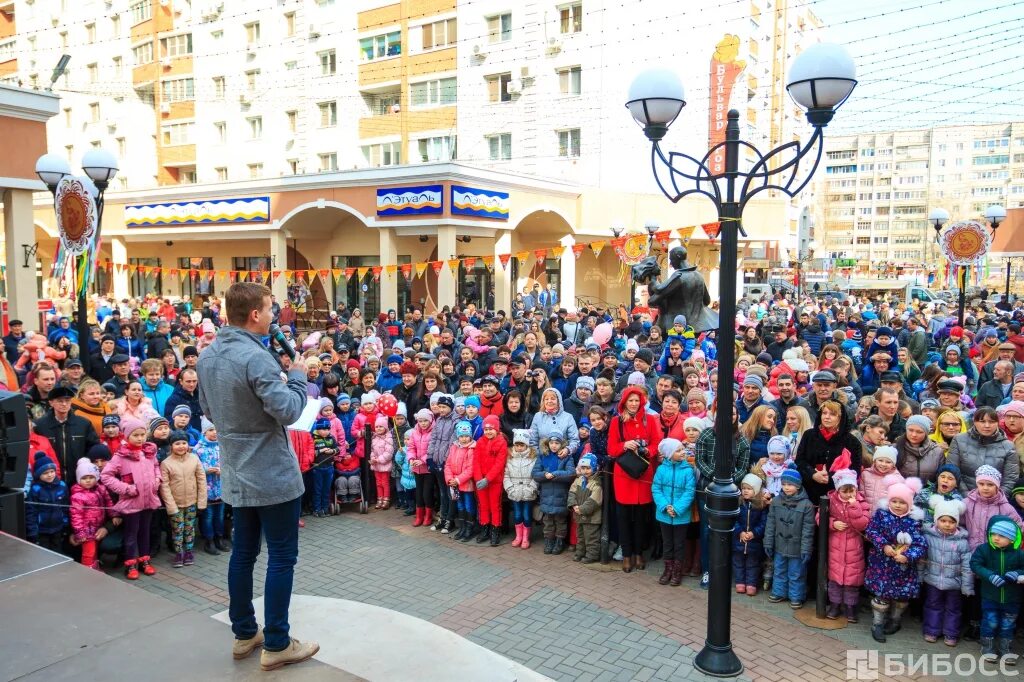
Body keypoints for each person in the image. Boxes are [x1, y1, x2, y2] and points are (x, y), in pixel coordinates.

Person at [195, 282, 319, 670]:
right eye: (270, 310)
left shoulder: (208, 355)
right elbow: (288, 411)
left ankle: (245, 633)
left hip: (236, 470)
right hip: (272, 474)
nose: (273, 316)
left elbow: (209, 410)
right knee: (282, 556)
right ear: (254, 315)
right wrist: (297, 376)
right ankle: (278, 642)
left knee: (243, 554)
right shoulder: (257, 358)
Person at [608, 385, 663, 572]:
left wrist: (648, 450)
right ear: (624, 402)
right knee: (623, 517)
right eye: (630, 400)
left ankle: (639, 553)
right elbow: (612, 449)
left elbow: (657, 443)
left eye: (636, 401)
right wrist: (625, 445)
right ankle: (627, 554)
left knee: (641, 518)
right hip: (624, 474)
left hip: (644, 473)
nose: (633, 404)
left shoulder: (650, 419)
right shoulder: (617, 422)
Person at [865, 476, 926, 643]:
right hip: (882, 565)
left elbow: (921, 544)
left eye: (902, 502)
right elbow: (871, 531)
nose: (898, 505)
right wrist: (883, 545)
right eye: (895, 501)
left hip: (902, 568)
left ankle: (895, 620)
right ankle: (877, 624)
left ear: (909, 504)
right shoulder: (881, 515)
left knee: (901, 597)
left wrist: (907, 556)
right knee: (882, 595)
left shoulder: (914, 521)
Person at [101, 416, 162, 580]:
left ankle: (144, 561)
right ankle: (130, 564)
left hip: (148, 500)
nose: (140, 438)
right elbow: (106, 475)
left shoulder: (149, 453)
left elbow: (156, 467)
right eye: (136, 435)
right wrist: (126, 488)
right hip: (132, 503)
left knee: (145, 532)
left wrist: (157, 480)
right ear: (127, 436)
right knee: (131, 534)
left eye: (143, 434)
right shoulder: (121, 456)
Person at [970, 516, 1024, 660]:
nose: (996, 538)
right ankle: (987, 647)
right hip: (990, 596)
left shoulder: (1019, 553)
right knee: (990, 622)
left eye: (1001, 535)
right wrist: (989, 575)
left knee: (1008, 624)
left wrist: (1017, 573)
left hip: (1012, 598)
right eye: (993, 534)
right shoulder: (984, 549)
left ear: (1012, 539)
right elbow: (975, 564)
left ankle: (1005, 649)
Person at [921, 499, 972, 646]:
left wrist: (967, 586)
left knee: (953, 609)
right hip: (932, 580)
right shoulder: (929, 537)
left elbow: (967, 566)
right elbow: (922, 559)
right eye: (943, 520)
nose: (947, 524)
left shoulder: (962, 542)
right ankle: (931, 630)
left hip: (954, 583)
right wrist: (920, 576)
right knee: (932, 605)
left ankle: (951, 633)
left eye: (951, 521)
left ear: (957, 522)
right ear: (937, 520)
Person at [821, 468, 870, 622]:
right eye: (845, 491)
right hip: (835, 548)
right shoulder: (830, 500)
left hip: (853, 548)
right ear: (838, 489)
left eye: (852, 490)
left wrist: (854, 507)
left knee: (851, 581)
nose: (849, 495)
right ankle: (835, 605)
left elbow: (863, 523)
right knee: (835, 580)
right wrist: (833, 524)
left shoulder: (861, 502)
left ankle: (850, 607)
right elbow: (819, 518)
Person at [765, 466, 815, 608]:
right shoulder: (776, 502)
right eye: (784, 484)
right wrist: (768, 543)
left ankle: (796, 596)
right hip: (780, 544)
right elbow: (770, 524)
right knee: (779, 569)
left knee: (796, 572)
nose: (786, 487)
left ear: (798, 485)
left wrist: (806, 549)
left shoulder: (806, 505)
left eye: (790, 484)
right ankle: (779, 592)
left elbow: (808, 530)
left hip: (797, 547)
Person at [159, 430, 208, 568]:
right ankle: (179, 552)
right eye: (177, 443)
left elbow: (201, 479)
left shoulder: (194, 459)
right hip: (176, 504)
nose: (181, 446)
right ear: (171, 446)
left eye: (184, 443)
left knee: (189, 528)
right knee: (177, 529)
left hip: (192, 502)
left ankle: (189, 551)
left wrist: (202, 501)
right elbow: (165, 486)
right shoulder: (166, 463)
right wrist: (171, 506)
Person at [947, 407, 1019, 495]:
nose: (987, 425)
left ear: (997, 423)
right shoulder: (959, 439)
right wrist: (967, 495)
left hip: (994, 500)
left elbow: (1010, 478)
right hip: (962, 496)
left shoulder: (1008, 446)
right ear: (974, 422)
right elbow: (952, 470)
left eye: (992, 422)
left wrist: (997, 498)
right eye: (982, 421)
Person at [531, 429, 575, 555]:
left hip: (561, 495)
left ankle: (559, 541)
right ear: (547, 444)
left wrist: (555, 474)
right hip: (546, 495)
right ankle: (549, 541)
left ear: (562, 444)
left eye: (557, 443)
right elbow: (535, 474)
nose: (554, 445)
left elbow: (571, 473)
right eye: (552, 443)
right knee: (548, 521)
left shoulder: (567, 457)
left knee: (560, 521)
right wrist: (544, 475)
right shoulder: (542, 456)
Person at [69, 457, 118, 570]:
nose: (88, 481)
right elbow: (76, 516)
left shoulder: (101, 489)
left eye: (91, 477)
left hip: (97, 527)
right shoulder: (77, 496)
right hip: (86, 530)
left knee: (95, 551)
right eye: (84, 478)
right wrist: (80, 532)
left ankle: (94, 568)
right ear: (78, 479)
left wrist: (114, 514)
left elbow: (108, 503)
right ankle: (88, 572)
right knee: (88, 553)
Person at [194, 422, 229, 555]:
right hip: (206, 490)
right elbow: (194, 468)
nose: (215, 432)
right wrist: (206, 470)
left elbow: (229, 464)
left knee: (219, 515)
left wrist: (223, 470)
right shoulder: (198, 449)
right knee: (208, 516)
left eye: (217, 429)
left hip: (221, 489)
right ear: (204, 432)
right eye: (211, 430)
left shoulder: (222, 446)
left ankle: (219, 538)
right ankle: (209, 541)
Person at [473, 415, 508, 546]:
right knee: (483, 506)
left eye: (491, 429)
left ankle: (495, 530)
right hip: (480, 481)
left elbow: (499, 464)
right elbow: (475, 461)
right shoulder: (480, 442)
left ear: (497, 429)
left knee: (495, 506)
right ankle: (484, 528)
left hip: (494, 481)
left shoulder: (501, 442)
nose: (488, 431)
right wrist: (478, 478)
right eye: (486, 429)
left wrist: (487, 479)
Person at [25, 454, 69, 552]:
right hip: (42, 531)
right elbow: (31, 512)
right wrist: (32, 531)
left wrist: (66, 523)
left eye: (52, 471)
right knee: (44, 553)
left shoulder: (62, 486)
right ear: (38, 474)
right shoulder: (35, 489)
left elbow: (65, 507)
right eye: (45, 473)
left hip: (58, 528)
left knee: (58, 552)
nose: (50, 475)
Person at [732, 473, 767, 595]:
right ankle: (740, 582)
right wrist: (740, 532)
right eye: (743, 488)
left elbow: (763, 523)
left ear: (756, 490)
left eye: (749, 488)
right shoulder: (738, 503)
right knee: (738, 563)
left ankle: (751, 584)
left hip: (754, 542)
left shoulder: (761, 506)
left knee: (753, 564)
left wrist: (754, 533)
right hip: (739, 540)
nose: (745, 491)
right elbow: (733, 519)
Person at [504, 429, 538, 550]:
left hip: (528, 491)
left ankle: (525, 537)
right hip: (515, 491)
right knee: (517, 515)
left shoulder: (533, 458)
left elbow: (536, 475)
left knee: (527, 515)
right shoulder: (510, 457)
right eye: (517, 445)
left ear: (526, 445)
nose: (519, 447)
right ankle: (518, 536)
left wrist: (532, 488)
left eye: (521, 445)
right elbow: (506, 475)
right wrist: (510, 488)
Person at [444, 420, 478, 542]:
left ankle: (470, 528)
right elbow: (448, 464)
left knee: (469, 505)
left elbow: (470, 469)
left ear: (470, 436)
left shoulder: (472, 449)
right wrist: (450, 479)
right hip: (454, 484)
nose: (464, 439)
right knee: (460, 505)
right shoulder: (454, 447)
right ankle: (462, 527)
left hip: (466, 484)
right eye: (461, 436)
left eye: (466, 436)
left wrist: (458, 480)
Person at [568, 453, 603, 564]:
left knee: (591, 537)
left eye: (588, 468)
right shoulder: (578, 480)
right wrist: (573, 505)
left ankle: (592, 555)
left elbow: (594, 501)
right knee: (581, 535)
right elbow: (571, 493)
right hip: (579, 514)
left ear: (594, 468)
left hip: (591, 517)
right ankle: (580, 552)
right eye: (583, 468)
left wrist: (581, 509)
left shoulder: (596, 483)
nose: (585, 471)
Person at [369, 415, 395, 510]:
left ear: (385, 427)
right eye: (377, 427)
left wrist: (379, 459)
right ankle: (379, 498)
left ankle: (386, 499)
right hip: (376, 464)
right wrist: (373, 458)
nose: (378, 428)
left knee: (385, 482)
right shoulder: (374, 438)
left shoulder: (388, 438)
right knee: (378, 482)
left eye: (381, 426)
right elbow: (372, 450)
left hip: (384, 464)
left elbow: (389, 453)